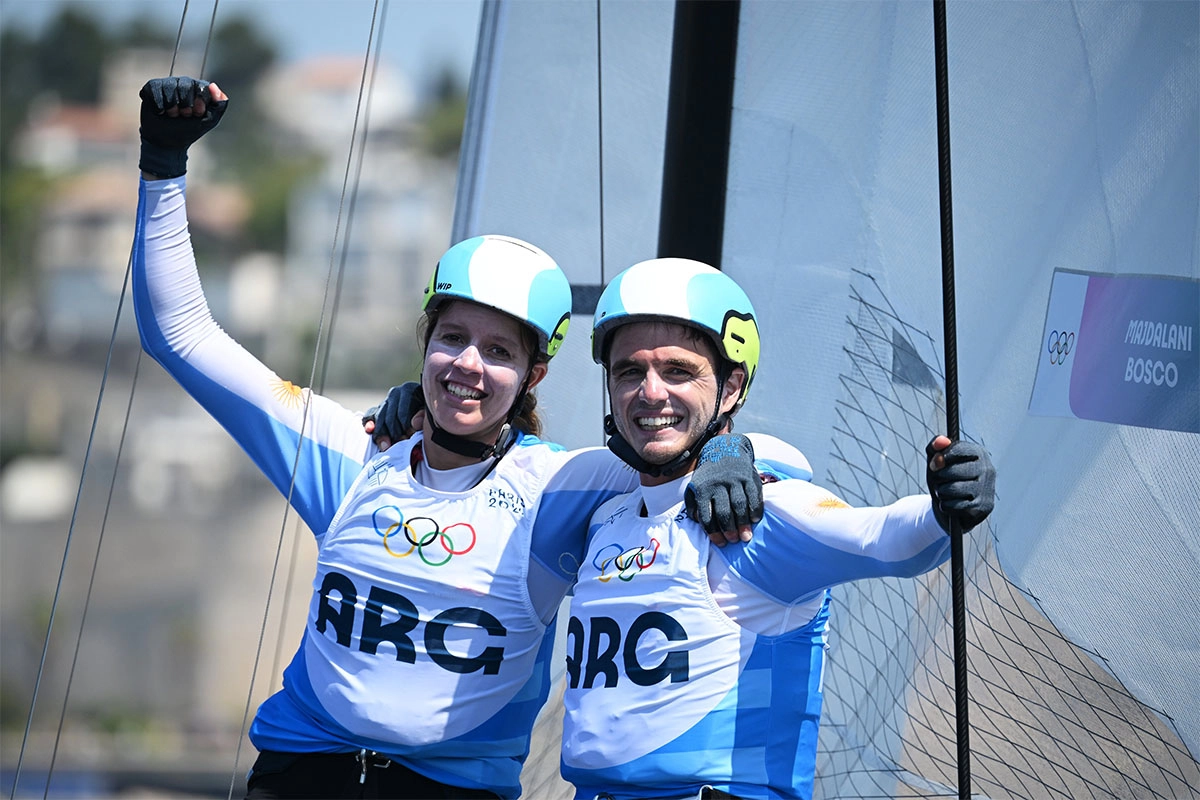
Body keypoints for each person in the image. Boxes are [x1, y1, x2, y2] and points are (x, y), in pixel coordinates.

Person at [131, 76, 792, 800]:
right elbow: (183, 337)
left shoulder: (562, 487)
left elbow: (676, 445)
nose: (468, 366)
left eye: (499, 352)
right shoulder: (351, 453)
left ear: (535, 373)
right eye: (452, 339)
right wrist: (163, 165)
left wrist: (737, 450)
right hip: (300, 776)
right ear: (426, 344)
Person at [558, 258, 997, 800]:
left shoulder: (760, 513)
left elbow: (882, 539)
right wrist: (420, 432)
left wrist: (944, 507)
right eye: (629, 371)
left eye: (678, 371)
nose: (650, 393)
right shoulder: (604, 514)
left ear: (732, 386)